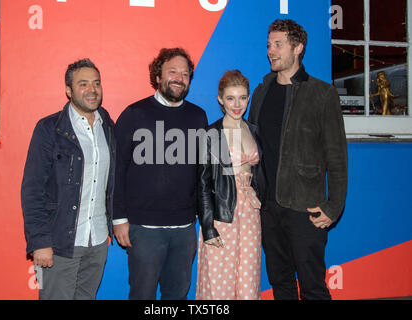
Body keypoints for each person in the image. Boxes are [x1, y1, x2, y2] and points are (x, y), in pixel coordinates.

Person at [248, 19, 348, 300]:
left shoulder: (322, 93)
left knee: (313, 288)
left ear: (298, 48)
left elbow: (337, 157)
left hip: (306, 208)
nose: (271, 50)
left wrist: (334, 206)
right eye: (269, 44)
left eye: (278, 44)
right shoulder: (261, 91)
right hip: (267, 208)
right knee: (281, 285)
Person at [113, 48, 208, 300]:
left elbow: (202, 172)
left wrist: (202, 214)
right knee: (142, 295)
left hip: (185, 228)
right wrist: (118, 218)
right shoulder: (134, 114)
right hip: (144, 228)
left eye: (185, 74)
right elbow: (116, 169)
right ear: (157, 76)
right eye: (172, 72)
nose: (179, 78)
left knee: (177, 295)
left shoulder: (198, 117)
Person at [21, 58, 116, 300]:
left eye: (96, 83)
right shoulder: (49, 129)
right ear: (68, 90)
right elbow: (32, 190)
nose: (92, 90)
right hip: (60, 242)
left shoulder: (109, 127)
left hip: (96, 241)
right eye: (83, 84)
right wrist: (40, 241)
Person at [196, 70, 263, 300]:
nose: (237, 104)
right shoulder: (211, 134)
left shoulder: (251, 129)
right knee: (219, 283)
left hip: (251, 212)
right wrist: (207, 227)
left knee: (248, 279)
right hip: (222, 213)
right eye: (231, 98)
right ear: (220, 99)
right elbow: (202, 184)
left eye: (243, 98)